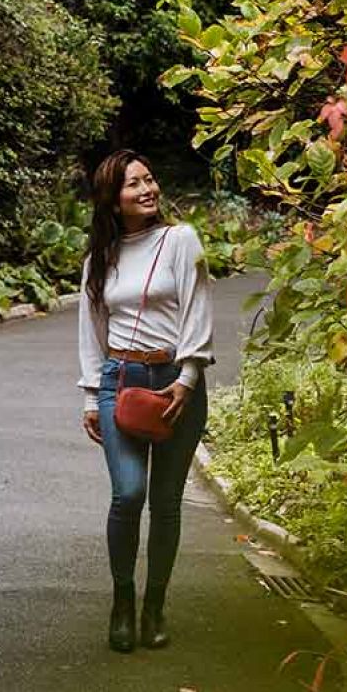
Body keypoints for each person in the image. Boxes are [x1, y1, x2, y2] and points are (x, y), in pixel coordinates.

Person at [77, 149, 213, 653]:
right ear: (113, 201)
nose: (147, 189)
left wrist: (189, 375)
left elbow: (197, 306)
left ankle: (155, 606)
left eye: (150, 179)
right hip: (120, 377)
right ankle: (122, 600)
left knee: (166, 502)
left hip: (176, 379)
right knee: (128, 493)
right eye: (134, 184)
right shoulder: (100, 259)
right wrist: (92, 394)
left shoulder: (181, 241)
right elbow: (91, 329)